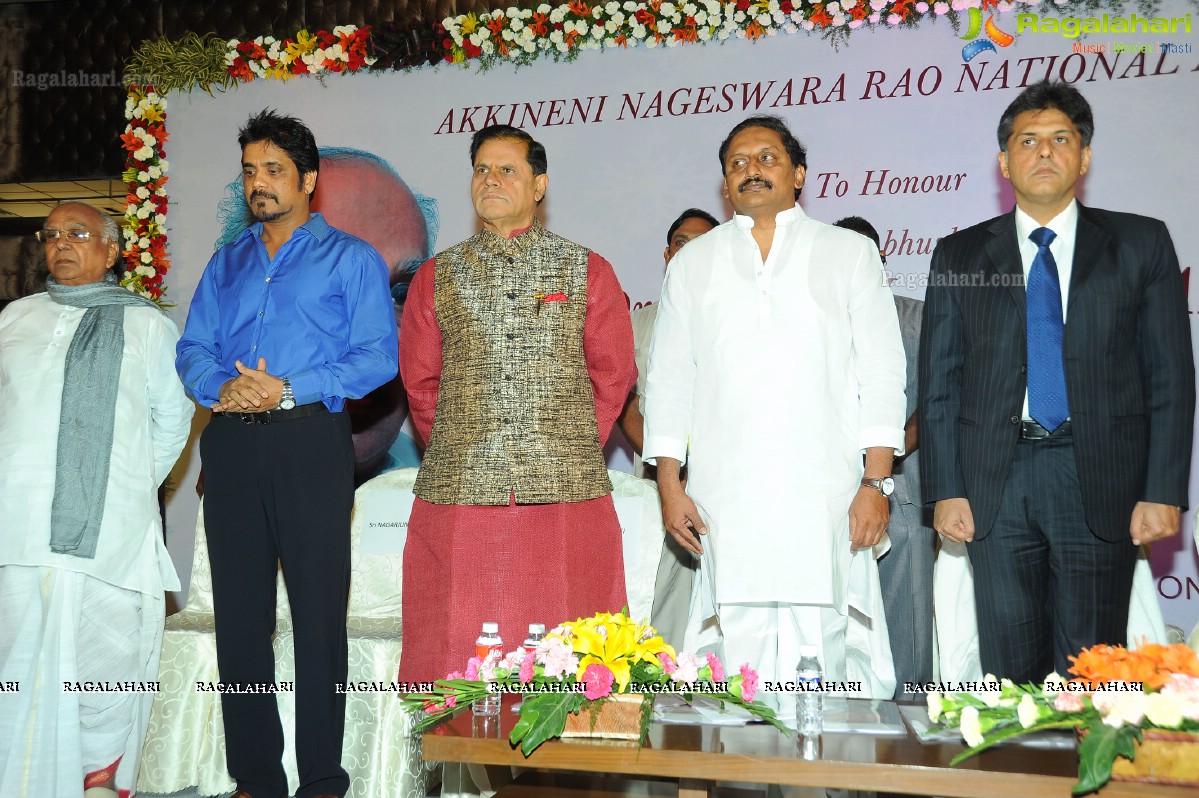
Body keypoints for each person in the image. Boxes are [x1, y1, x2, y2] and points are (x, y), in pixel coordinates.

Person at [919, 81, 1194, 683]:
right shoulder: (959, 255)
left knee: (1094, 671)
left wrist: (1163, 488)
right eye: (1028, 141)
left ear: (1084, 157)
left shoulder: (1140, 243)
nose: (1043, 153)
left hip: (1100, 475)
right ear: (1004, 161)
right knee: (1009, 677)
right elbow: (940, 382)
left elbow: (1170, 374)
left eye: (1060, 140)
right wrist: (946, 487)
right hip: (996, 479)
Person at [176, 110, 398, 798]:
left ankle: (322, 780)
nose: (258, 184)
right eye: (249, 171)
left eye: (273, 170)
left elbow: (376, 358)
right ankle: (255, 778)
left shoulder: (352, 259)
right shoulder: (228, 261)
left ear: (308, 180)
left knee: (316, 619)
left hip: (309, 442)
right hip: (233, 447)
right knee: (240, 622)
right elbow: (193, 350)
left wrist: (289, 387)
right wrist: (226, 388)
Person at [644, 115, 906, 687]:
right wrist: (669, 485)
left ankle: (822, 777)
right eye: (737, 163)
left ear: (799, 175)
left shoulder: (849, 253)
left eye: (767, 158)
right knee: (734, 673)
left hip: (828, 500)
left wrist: (875, 483)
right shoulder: (693, 263)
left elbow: (883, 375)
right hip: (725, 502)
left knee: (828, 662)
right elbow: (668, 381)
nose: (750, 170)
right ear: (724, 185)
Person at [398, 124, 636, 681]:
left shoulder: (586, 270)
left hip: (564, 496)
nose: (491, 179)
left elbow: (613, 373)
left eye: (508, 169)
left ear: (540, 185)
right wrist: (468, 446)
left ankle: (567, 766)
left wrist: (563, 443)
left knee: (569, 663)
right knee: (458, 658)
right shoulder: (437, 277)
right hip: (461, 494)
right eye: (481, 168)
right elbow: (421, 382)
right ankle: (465, 763)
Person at [0, 203, 193, 797]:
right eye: (51, 234)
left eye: (78, 234)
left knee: (103, 662)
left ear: (111, 252)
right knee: (13, 661)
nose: (61, 244)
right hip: (17, 524)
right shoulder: (14, 318)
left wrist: (124, 488)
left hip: (110, 532)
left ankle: (98, 783)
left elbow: (173, 419)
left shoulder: (148, 326)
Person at [835, 215, 935, 696]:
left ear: (881, 260)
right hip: (825, 491)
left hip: (901, 490)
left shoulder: (918, 317)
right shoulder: (812, 316)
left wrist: (888, 455)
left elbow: (937, 397)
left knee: (905, 618)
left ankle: (911, 715)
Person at [618, 207, 718, 479]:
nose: (688, 252)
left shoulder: (741, 325)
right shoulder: (632, 325)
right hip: (655, 488)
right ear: (667, 254)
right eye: (681, 243)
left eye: (702, 243)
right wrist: (670, 472)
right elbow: (625, 402)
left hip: (726, 483)